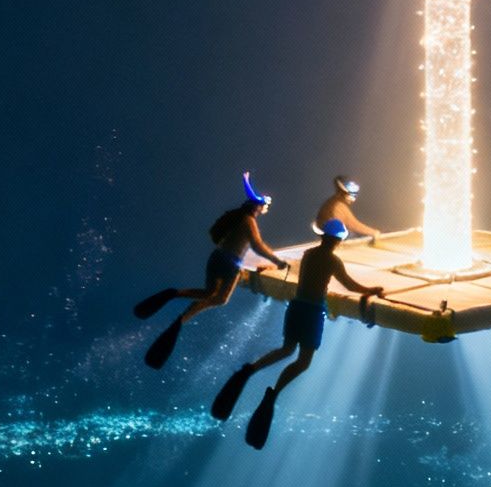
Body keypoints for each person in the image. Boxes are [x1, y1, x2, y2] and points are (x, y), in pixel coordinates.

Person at [212, 218, 384, 449]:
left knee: (286, 349)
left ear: (323, 236)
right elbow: (349, 285)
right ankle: (273, 394)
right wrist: (371, 290)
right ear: (338, 241)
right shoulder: (332, 260)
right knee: (303, 362)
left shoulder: (309, 254)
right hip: (312, 311)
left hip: (296, 307)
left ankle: (249, 370)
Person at [133, 173, 288, 369]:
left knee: (209, 293)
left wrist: (246, 181)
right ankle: (181, 317)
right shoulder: (248, 221)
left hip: (217, 258)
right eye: (263, 207)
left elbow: (251, 195)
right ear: (257, 207)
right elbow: (257, 246)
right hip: (230, 265)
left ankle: (176, 299)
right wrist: (278, 261)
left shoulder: (239, 217)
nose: (263, 210)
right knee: (220, 298)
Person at [313, 176, 380, 240]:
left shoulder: (333, 202)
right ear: (344, 192)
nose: (353, 198)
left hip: (325, 234)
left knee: (350, 233)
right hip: (332, 237)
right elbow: (353, 224)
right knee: (351, 234)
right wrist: (373, 232)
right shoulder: (338, 206)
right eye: (352, 194)